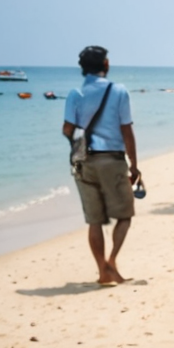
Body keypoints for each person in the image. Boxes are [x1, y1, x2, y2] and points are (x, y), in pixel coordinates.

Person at [61, 45, 140, 286]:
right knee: (125, 214)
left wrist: (79, 145)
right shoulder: (119, 91)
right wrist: (134, 165)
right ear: (105, 65)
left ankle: (102, 272)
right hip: (112, 159)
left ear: (83, 69)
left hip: (84, 162)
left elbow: (67, 130)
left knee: (94, 220)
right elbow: (126, 130)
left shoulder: (75, 94)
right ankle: (112, 261)